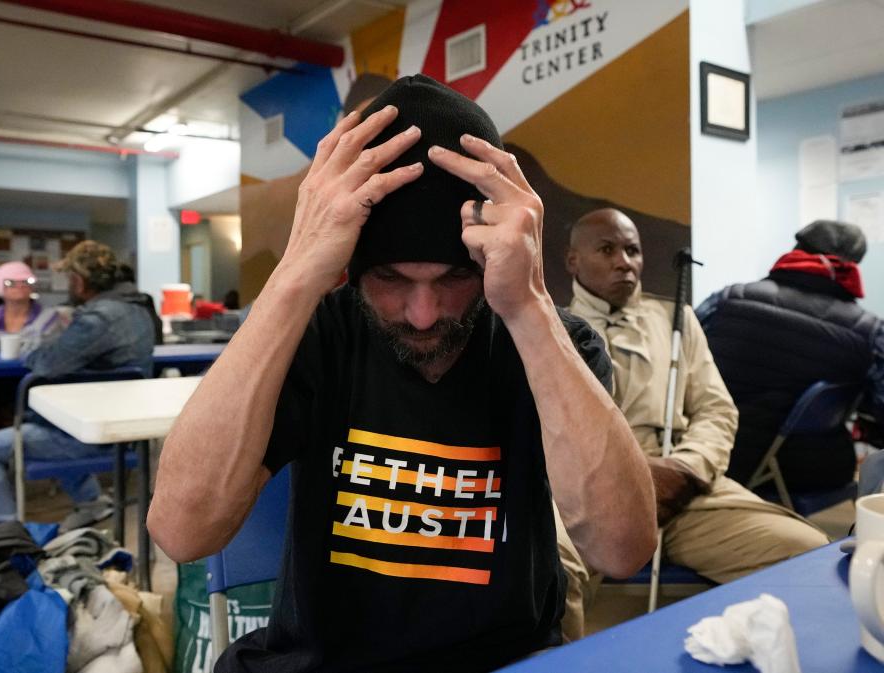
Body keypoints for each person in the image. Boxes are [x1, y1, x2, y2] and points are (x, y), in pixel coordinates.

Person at [149, 75, 657, 672]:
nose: (423, 314)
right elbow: (184, 532)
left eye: (453, 279)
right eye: (390, 279)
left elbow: (622, 549)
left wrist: (529, 304)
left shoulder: (550, 341)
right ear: (351, 266)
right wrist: (295, 275)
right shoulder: (317, 336)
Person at [562, 208, 828, 636]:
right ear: (573, 260)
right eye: (607, 250)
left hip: (682, 488)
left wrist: (685, 468)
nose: (624, 262)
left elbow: (716, 410)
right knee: (546, 582)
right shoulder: (552, 330)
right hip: (586, 500)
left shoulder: (677, 321)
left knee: (810, 554)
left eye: (633, 250)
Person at [0, 241, 155, 530]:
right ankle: (92, 502)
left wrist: (38, 347)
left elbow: (46, 363)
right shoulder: (140, 310)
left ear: (80, 281)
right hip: (123, 430)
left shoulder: (98, 318)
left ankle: (6, 534)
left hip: (89, 434)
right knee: (58, 418)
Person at [697, 220, 884, 491]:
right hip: (805, 471)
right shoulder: (868, 331)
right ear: (852, 266)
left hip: (710, 452)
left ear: (796, 249)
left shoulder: (727, 299)